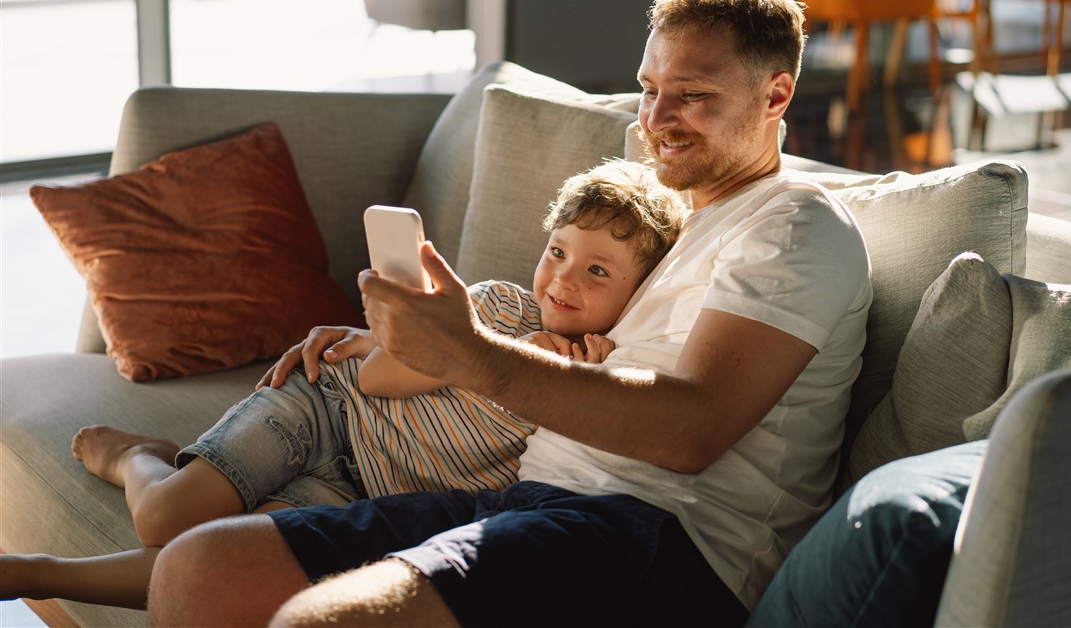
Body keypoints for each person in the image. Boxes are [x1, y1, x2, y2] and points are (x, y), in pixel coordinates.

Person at [147, 0, 873, 627]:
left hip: (659, 541)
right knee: (197, 570)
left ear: (776, 94)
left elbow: (695, 428)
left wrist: (471, 354)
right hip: (524, 502)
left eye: (693, 95)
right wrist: (388, 341)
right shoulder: (677, 223)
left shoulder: (797, 224)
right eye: (650, 89)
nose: (654, 119)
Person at [0, 159, 686, 611]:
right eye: (558, 252)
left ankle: (34, 574)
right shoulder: (500, 307)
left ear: (643, 291)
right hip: (328, 407)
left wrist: (556, 376)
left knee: (225, 564)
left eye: (598, 272)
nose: (562, 279)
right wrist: (500, 354)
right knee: (164, 516)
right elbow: (381, 377)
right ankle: (137, 457)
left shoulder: (605, 386)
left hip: (362, 493)